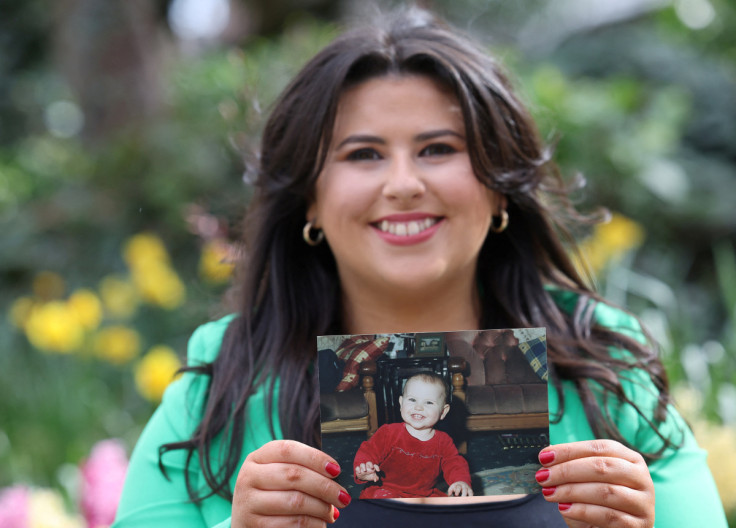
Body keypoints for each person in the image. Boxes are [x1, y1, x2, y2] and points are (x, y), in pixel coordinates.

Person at [112, 6, 728, 528]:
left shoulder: (600, 364)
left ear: (498, 190)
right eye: (363, 154)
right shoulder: (225, 379)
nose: (403, 184)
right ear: (311, 202)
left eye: (438, 149)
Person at [353, 372, 473, 498]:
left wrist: (460, 481)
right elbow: (368, 451)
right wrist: (364, 468)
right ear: (401, 403)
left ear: (443, 412)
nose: (418, 407)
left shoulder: (443, 441)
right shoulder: (388, 432)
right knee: (382, 501)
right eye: (412, 399)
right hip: (385, 489)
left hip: (423, 494)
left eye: (429, 403)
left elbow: (454, 463)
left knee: (448, 508)